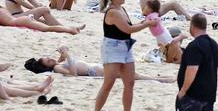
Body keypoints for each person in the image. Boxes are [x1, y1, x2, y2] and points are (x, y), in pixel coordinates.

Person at [93, 0, 158, 111]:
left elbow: (130, 26)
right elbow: (128, 29)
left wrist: (145, 21)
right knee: (108, 83)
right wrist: (146, 24)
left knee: (129, 83)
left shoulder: (121, 9)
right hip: (112, 47)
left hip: (125, 46)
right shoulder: (112, 12)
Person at [27, 46, 174, 82]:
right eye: (48, 60)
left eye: (48, 57)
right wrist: (68, 56)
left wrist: (62, 55)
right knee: (136, 76)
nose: (50, 59)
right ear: (47, 66)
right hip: (97, 72)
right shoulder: (57, 68)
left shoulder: (58, 64)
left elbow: (66, 63)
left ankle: (164, 78)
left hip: (99, 68)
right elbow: (73, 74)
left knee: (135, 74)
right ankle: (163, 79)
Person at [175, 13, 218, 111]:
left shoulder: (194, 46)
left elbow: (192, 70)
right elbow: (216, 68)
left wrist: (183, 91)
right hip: (209, 96)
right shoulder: (214, 44)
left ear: (192, 26)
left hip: (194, 96)